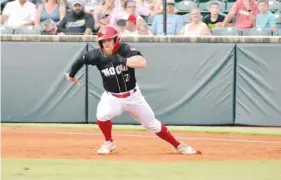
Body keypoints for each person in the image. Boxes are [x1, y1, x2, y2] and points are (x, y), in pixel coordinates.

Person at [65, 25, 202, 155]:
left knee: (152, 124)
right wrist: (71, 75)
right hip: (112, 97)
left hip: (133, 96)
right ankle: (108, 142)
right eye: (103, 41)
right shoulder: (96, 55)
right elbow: (80, 60)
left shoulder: (125, 50)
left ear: (116, 39)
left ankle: (178, 145)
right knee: (102, 116)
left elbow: (142, 62)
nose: (107, 43)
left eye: (109, 39)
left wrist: (120, 60)